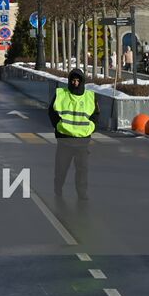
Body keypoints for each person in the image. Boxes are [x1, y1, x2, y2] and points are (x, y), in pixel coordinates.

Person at [48, 68, 98, 201]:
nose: (75, 83)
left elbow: (95, 116)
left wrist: (91, 128)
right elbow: (51, 112)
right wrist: (58, 126)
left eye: (78, 80)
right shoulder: (61, 94)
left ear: (82, 82)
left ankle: (82, 193)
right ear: (70, 81)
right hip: (65, 140)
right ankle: (58, 188)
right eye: (73, 80)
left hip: (82, 141)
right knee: (61, 169)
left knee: (82, 169)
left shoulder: (90, 96)